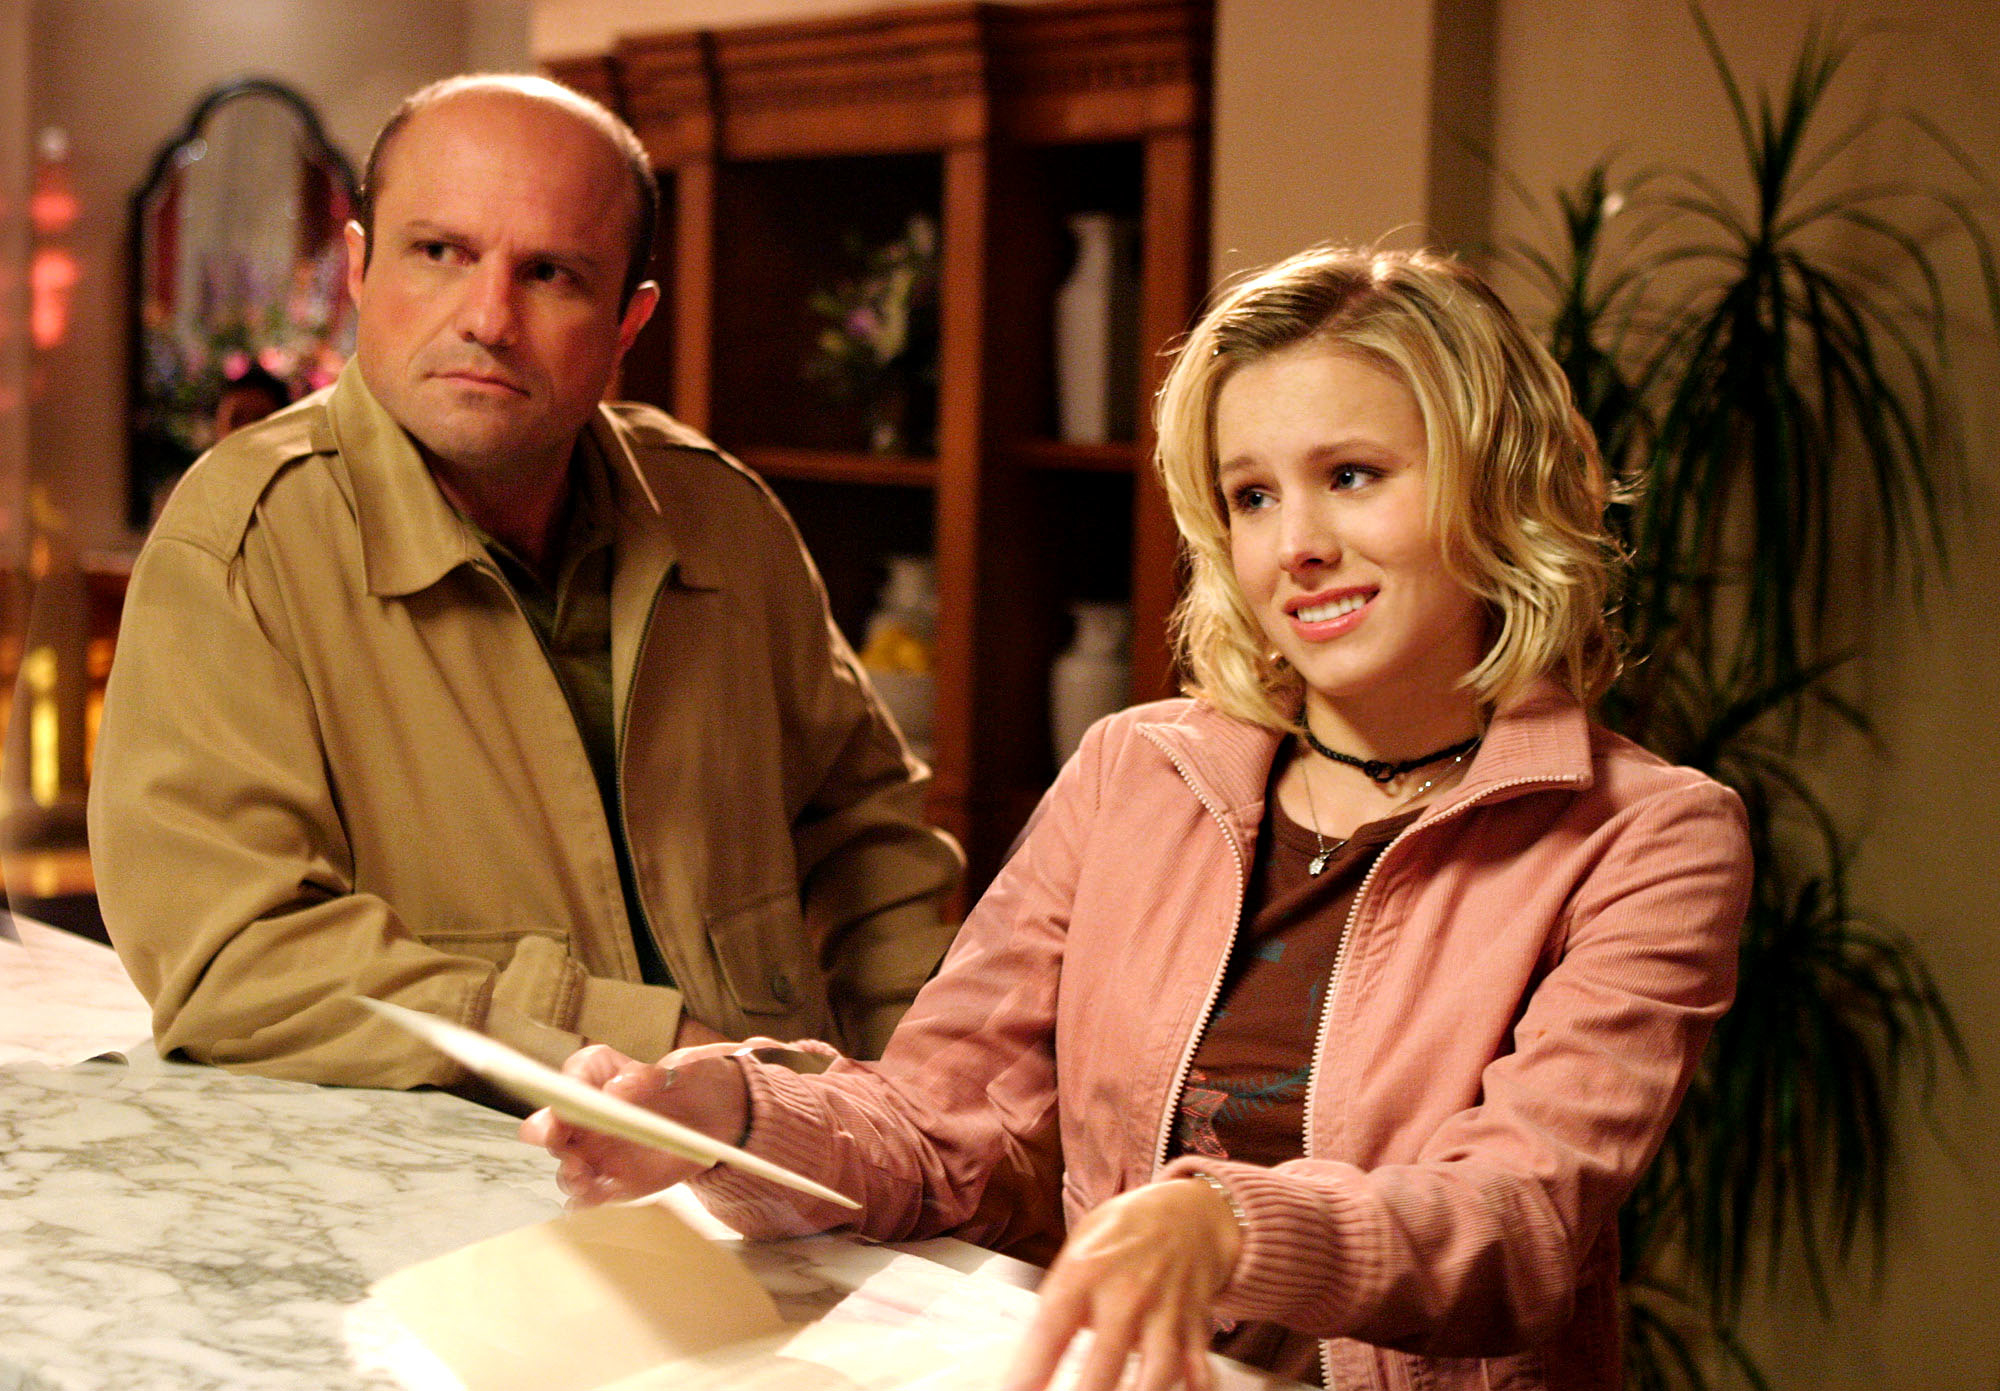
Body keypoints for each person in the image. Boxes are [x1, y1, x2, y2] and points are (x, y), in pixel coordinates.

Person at [524, 246, 1753, 1390]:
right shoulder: (1134, 771)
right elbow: (944, 1122)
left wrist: (1221, 1223)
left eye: (1352, 476)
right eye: (1252, 496)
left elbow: (1511, 1226)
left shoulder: (1646, 837)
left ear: (1496, 481)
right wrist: (725, 1116)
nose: (1297, 545)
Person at [88, 75, 962, 1093]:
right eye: (440, 254)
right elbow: (235, 961)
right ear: (360, 269)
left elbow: (871, 841)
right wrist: (638, 1039)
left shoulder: (722, 518)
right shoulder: (240, 545)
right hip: (456, 1207)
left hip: (786, 1178)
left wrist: (933, 1094)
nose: (488, 319)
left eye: (549, 273)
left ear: (628, 323)